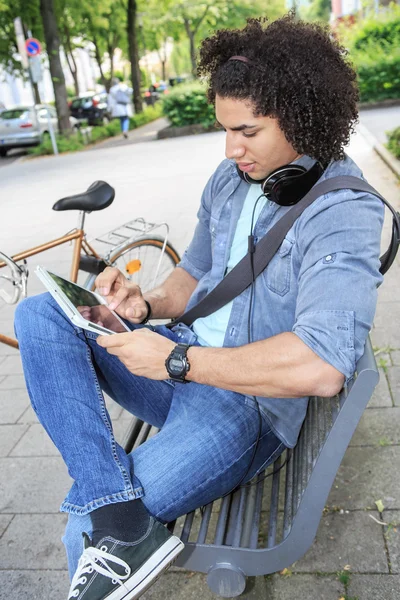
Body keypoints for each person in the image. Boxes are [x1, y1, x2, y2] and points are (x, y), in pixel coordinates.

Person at [14, 13, 384, 600]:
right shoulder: (231, 176)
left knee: (86, 533)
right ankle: (118, 512)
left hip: (245, 407)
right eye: (224, 129)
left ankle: (108, 518)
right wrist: (145, 303)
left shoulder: (342, 213)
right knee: (39, 315)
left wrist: (176, 363)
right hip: (179, 361)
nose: (231, 148)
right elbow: (194, 275)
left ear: (305, 117)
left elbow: (321, 366)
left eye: (249, 131)